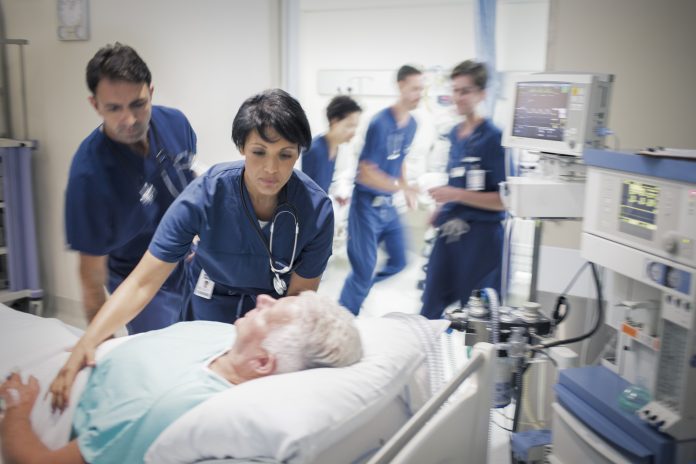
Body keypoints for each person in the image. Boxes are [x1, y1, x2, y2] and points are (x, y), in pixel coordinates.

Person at [48, 88, 335, 409]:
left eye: (286, 154)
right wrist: (87, 341)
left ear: (298, 154)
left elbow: (298, 300)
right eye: (259, 152)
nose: (271, 169)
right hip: (207, 300)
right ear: (241, 147)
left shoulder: (316, 210)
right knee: (190, 390)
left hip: (270, 315)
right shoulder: (208, 193)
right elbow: (143, 281)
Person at [0, 292, 363, 464]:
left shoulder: (166, 410)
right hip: (72, 347)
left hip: (38, 385)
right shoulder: (224, 337)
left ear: (263, 363)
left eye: (271, 312)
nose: (264, 298)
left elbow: (36, 462)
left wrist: (18, 410)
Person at [64, 43, 198, 334]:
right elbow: (91, 277)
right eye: (114, 108)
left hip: (191, 260)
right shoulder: (89, 176)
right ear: (95, 105)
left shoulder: (176, 124)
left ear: (150, 92)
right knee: (160, 358)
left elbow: (190, 182)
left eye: (138, 104)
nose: (130, 120)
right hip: (140, 280)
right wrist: (104, 348)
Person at [420, 60, 506, 320]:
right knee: (430, 307)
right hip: (450, 232)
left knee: (478, 318)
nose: (458, 97)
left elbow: (503, 200)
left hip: (481, 238)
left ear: (482, 94)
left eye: (465, 91)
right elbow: (456, 182)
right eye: (455, 90)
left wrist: (454, 195)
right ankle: (429, 358)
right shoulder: (455, 134)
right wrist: (441, 208)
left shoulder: (494, 138)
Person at [339, 65, 423, 315]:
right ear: (400, 86)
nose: (420, 93)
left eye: (422, 88)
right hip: (366, 205)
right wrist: (402, 187)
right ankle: (344, 316)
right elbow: (365, 172)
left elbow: (400, 159)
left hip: (388, 205)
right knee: (363, 269)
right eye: (415, 88)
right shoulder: (380, 122)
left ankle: (362, 288)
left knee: (400, 261)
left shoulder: (412, 124)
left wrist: (405, 187)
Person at [301, 95, 362, 201]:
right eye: (349, 126)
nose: (353, 132)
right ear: (334, 121)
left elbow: (320, 187)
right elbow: (302, 191)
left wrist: (335, 195)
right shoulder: (314, 150)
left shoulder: (335, 148)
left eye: (355, 127)